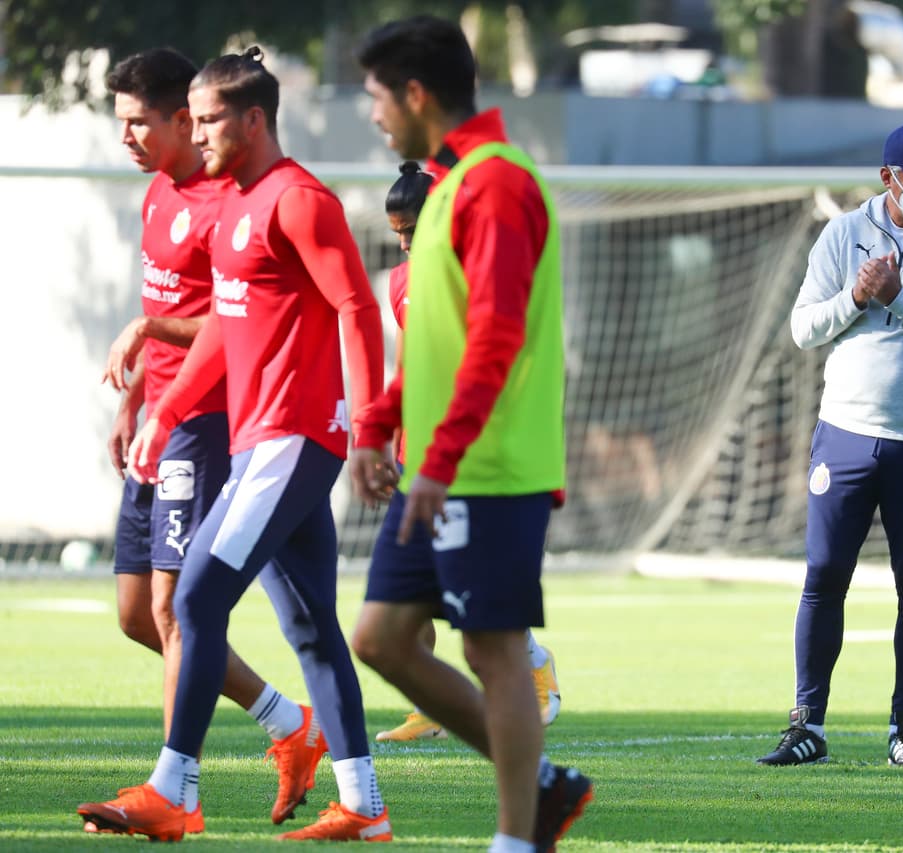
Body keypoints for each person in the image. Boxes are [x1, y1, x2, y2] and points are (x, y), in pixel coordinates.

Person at [77, 47, 392, 842]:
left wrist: (368, 429)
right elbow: (224, 329)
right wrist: (162, 407)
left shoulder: (298, 200)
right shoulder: (238, 207)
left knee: (190, 599)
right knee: (311, 621)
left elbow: (356, 308)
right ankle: (364, 805)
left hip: (291, 439)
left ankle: (174, 789)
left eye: (211, 118)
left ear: (253, 120)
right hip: (257, 440)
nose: (199, 131)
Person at [353, 16, 591, 853]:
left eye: (377, 97)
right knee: (379, 638)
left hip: (488, 471)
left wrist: (438, 459)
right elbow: (436, 344)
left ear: (416, 95)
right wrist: (377, 427)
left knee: (495, 654)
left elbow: (493, 337)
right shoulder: (451, 184)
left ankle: (517, 837)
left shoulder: (496, 184)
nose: (374, 115)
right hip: (439, 465)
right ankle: (545, 786)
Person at [757, 121, 903, 768]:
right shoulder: (843, 234)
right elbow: (804, 327)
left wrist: (900, 299)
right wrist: (855, 296)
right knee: (824, 576)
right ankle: (807, 722)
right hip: (844, 433)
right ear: (889, 179)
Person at [369, 161, 562, 744]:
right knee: (405, 601)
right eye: (397, 233)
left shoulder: (474, 269)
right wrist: (382, 431)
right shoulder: (403, 282)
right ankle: (432, 706)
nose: (404, 243)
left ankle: (537, 670)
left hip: (472, 457)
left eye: (413, 229)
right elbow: (411, 364)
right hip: (417, 452)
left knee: (475, 606)